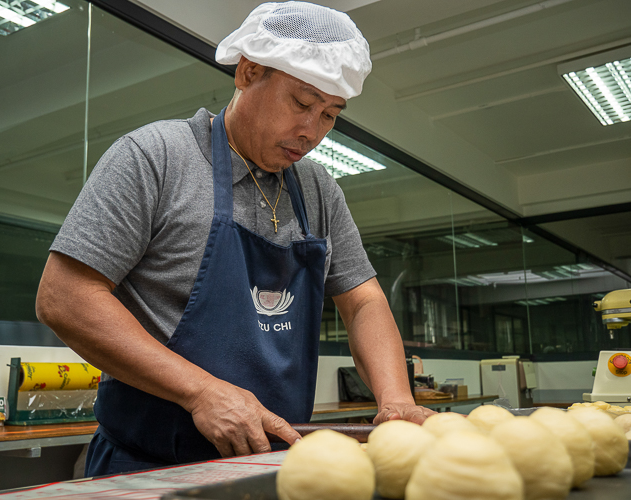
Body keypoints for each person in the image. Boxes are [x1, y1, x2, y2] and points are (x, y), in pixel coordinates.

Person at [36, 1, 436, 477]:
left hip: (277, 466)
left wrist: (396, 401)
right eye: (303, 103)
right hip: (147, 465)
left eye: (330, 115)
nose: (312, 132)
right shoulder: (155, 158)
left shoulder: (317, 188)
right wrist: (201, 390)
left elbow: (364, 301)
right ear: (247, 73)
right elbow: (64, 297)